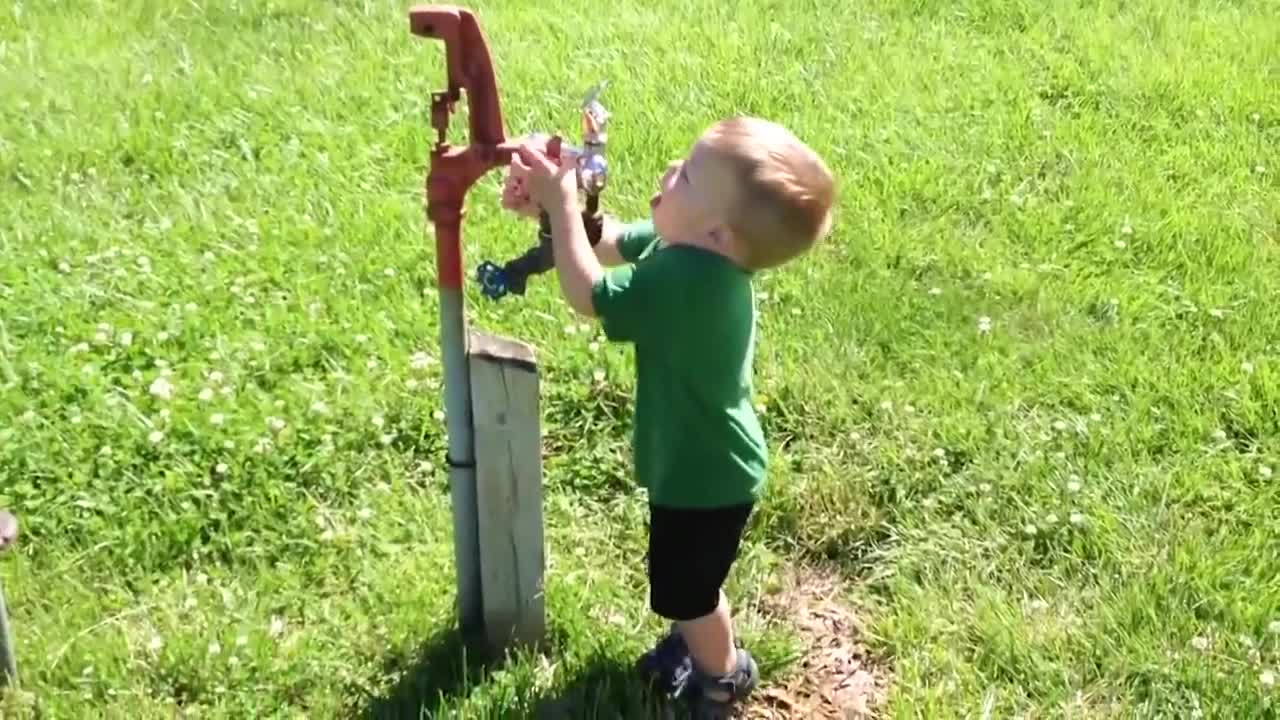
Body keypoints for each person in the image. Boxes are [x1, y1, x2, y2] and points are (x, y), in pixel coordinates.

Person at [507, 115, 835, 715]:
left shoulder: (690, 282)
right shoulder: (688, 251)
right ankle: (699, 643)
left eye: (684, 176)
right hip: (705, 463)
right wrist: (553, 207)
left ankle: (724, 674)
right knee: (690, 582)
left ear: (717, 234)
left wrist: (558, 208)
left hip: (704, 477)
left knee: (689, 592)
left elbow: (589, 295)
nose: (668, 171)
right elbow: (603, 242)